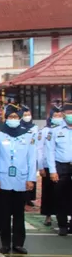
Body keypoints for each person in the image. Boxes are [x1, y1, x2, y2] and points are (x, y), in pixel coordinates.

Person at [0, 104, 37, 253]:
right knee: (4, 213)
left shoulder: (28, 134)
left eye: (16, 117)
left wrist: (31, 179)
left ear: (20, 118)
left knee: (19, 213)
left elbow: (32, 159)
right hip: (4, 179)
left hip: (21, 179)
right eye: (10, 117)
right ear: (6, 118)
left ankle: (18, 243)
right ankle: (5, 243)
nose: (13, 120)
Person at [46, 101, 72, 237]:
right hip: (61, 166)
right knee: (61, 196)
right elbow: (50, 152)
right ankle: (62, 225)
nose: (70, 116)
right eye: (68, 113)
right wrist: (52, 171)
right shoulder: (55, 131)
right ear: (63, 115)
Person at [38, 107, 62, 226]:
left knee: (62, 192)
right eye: (55, 116)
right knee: (48, 191)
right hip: (47, 166)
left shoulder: (65, 130)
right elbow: (40, 149)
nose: (58, 118)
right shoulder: (45, 131)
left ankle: (62, 215)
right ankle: (48, 216)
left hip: (61, 165)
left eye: (59, 115)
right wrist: (41, 166)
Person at [21, 106, 39, 207]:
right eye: (25, 115)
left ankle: (30, 198)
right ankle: (23, 197)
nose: (27, 117)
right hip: (23, 154)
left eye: (29, 115)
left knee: (32, 175)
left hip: (33, 153)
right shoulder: (20, 126)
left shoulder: (34, 127)